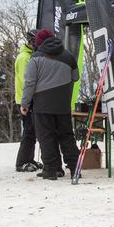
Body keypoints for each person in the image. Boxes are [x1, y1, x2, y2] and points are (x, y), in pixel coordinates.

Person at [22, 28, 80, 181]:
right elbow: (76, 77)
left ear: (39, 42)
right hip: (63, 104)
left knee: (46, 137)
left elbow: (30, 83)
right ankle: (75, 168)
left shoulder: (35, 58)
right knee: (67, 136)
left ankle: (51, 170)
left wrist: (25, 103)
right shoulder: (69, 56)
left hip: (42, 104)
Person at [14, 30, 41, 172]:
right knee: (29, 131)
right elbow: (27, 81)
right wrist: (28, 100)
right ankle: (21, 162)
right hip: (25, 99)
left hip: (26, 98)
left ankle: (29, 159)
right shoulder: (25, 57)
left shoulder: (29, 56)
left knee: (32, 131)